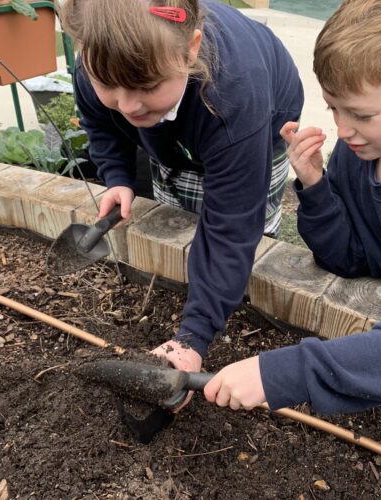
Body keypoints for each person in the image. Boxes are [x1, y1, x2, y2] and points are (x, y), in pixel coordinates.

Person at [204, 0, 381, 414]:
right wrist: (315, 186)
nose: (342, 128)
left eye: (361, 114)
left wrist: (279, 373)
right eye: (334, 107)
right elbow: (348, 258)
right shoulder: (361, 151)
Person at [59, 1, 304, 380]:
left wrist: (193, 338)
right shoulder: (102, 57)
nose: (126, 105)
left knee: (241, 235)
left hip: (260, 122)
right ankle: (207, 285)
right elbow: (100, 121)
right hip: (191, 117)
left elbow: (232, 224)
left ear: (191, 49)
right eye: (108, 86)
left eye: (145, 86)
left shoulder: (235, 98)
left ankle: (227, 299)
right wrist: (118, 177)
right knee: (182, 208)